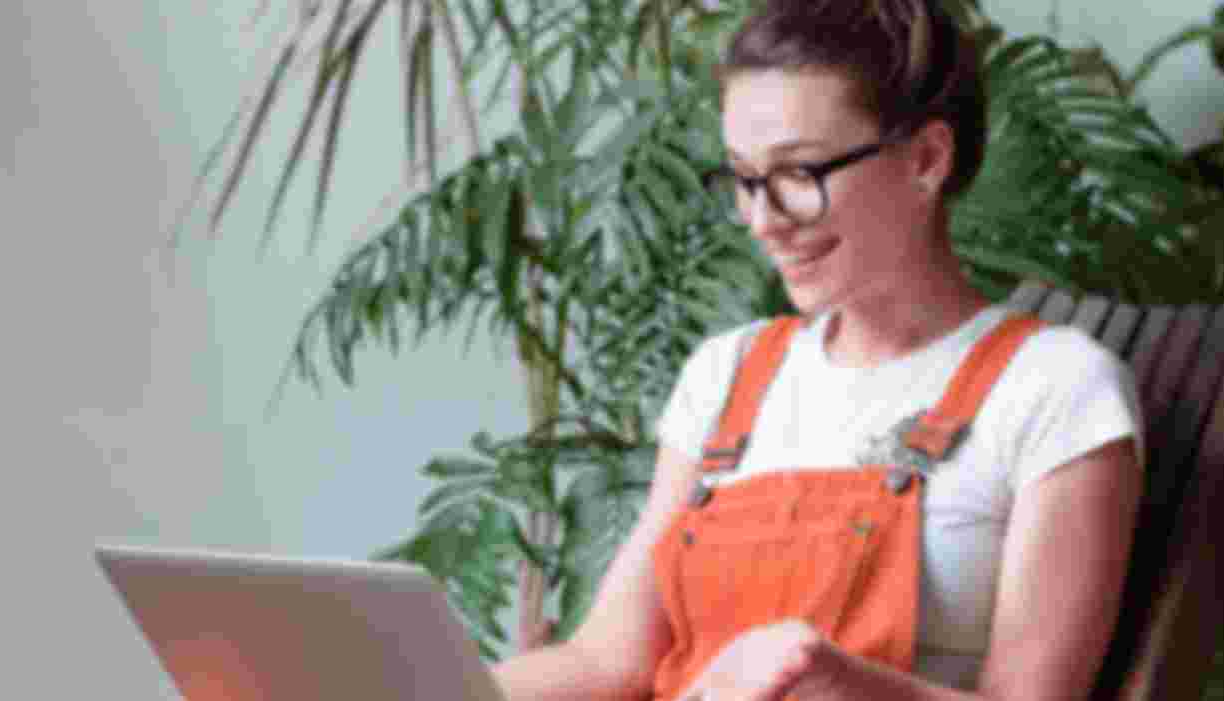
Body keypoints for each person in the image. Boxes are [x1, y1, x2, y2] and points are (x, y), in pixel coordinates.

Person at [491, 1, 1146, 699]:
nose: (762, 220)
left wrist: (840, 683)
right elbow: (605, 663)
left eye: (798, 173)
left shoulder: (1055, 389)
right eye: (743, 178)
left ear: (926, 159)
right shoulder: (728, 374)